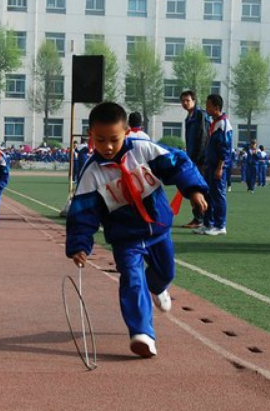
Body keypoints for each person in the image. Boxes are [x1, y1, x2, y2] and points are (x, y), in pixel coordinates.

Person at [66, 102, 208, 358]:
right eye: (100, 140)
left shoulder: (144, 150)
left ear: (125, 133)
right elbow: (83, 214)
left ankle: (157, 287)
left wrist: (194, 189)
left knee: (165, 272)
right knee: (132, 280)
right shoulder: (91, 174)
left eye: (114, 139)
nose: (107, 146)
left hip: (158, 230)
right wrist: (79, 245)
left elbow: (179, 163)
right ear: (91, 136)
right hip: (125, 238)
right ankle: (142, 333)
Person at [194, 94, 232, 236]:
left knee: (218, 195)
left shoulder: (224, 124)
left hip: (218, 167)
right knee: (208, 194)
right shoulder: (214, 122)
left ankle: (220, 225)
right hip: (210, 165)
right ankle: (208, 223)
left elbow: (225, 148)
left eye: (208, 105)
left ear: (216, 107)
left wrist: (220, 167)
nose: (206, 108)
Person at [180, 90, 210, 228]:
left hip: (200, 159)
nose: (185, 103)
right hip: (192, 158)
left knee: (197, 189)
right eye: (183, 101)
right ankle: (198, 217)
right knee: (193, 188)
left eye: (188, 100)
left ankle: (201, 219)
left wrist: (199, 160)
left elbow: (203, 137)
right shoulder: (189, 117)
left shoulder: (200, 115)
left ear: (194, 101)